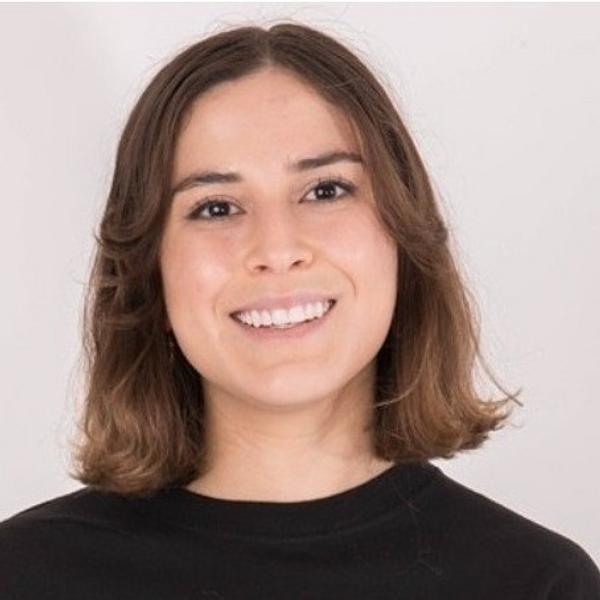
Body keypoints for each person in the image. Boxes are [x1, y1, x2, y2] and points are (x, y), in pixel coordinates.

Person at [0, 21, 598, 600]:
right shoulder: (22, 576)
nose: (277, 249)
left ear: (404, 239)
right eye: (216, 207)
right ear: (148, 275)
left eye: (325, 191)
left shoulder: (538, 584)